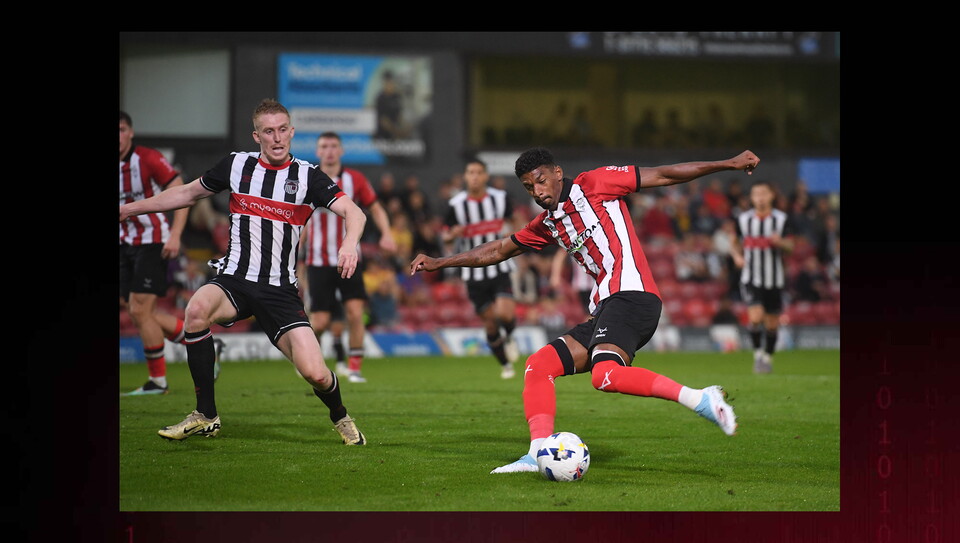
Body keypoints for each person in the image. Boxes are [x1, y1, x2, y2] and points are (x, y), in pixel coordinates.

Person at [411, 147, 759, 474]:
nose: (538, 191)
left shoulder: (595, 183)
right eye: (529, 187)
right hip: (607, 304)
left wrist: (727, 164)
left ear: (557, 173)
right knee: (538, 366)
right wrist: (440, 262)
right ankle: (536, 452)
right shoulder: (548, 224)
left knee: (604, 375)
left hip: (633, 294)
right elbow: (498, 250)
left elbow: (664, 174)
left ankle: (700, 398)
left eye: (541, 180)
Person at [119, 99, 367, 445]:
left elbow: (355, 212)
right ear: (256, 136)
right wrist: (128, 209)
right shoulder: (236, 165)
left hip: (279, 290)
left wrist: (349, 243)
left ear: (292, 132)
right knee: (196, 310)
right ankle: (206, 414)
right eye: (269, 131)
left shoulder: (308, 176)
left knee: (316, 374)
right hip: (234, 279)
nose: (277, 138)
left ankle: (340, 415)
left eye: (283, 130)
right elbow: (187, 194)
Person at [119, 110, 223, 396]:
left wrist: (175, 234)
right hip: (125, 244)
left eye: (122, 129)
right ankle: (205, 345)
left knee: (140, 310)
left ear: (131, 132)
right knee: (141, 311)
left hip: (153, 241)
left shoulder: (148, 159)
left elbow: (182, 194)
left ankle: (158, 381)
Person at [300, 131, 396, 383]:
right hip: (318, 261)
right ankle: (308, 360)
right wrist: (295, 248)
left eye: (333, 146)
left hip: (350, 258)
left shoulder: (355, 179)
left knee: (355, 312)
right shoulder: (307, 178)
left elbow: (375, 208)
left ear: (341, 150)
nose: (329, 151)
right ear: (318, 151)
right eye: (324, 146)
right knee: (320, 321)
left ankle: (354, 368)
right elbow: (299, 217)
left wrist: (387, 233)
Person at [441, 158, 522, 378]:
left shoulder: (500, 198)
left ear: (486, 176)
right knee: (490, 322)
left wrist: (516, 237)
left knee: (505, 314)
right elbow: (445, 236)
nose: (475, 177)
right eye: (471, 172)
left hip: (500, 265)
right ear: (466, 176)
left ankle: (510, 336)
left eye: (478, 172)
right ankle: (506, 365)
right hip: (473, 272)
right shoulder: (456, 204)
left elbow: (515, 220)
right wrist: (451, 235)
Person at [729, 180, 795, 374]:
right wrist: (737, 256)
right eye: (756, 194)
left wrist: (780, 242)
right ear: (751, 198)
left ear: (771, 196)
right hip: (751, 277)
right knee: (756, 316)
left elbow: (791, 247)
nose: (760, 198)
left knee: (772, 324)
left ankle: (767, 357)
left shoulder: (782, 219)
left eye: (763, 193)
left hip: (774, 279)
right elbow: (733, 241)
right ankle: (758, 355)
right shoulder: (743, 219)